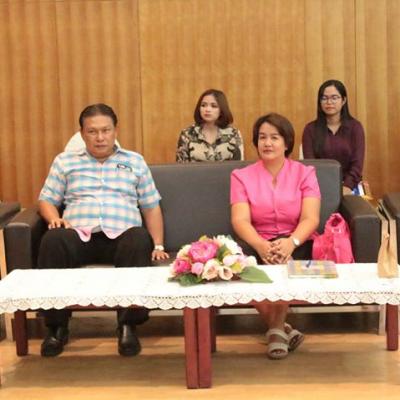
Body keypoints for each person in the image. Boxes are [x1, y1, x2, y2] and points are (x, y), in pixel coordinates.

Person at [37, 103, 169, 357]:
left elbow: (151, 206)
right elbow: (46, 200)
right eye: (92, 131)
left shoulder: (134, 161)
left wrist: (159, 245)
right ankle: (56, 327)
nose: (100, 137)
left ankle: (128, 326)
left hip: (121, 237)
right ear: (82, 133)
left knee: (138, 238)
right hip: (79, 235)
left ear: (115, 131)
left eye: (105, 130)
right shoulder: (65, 162)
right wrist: (54, 219)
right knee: (53, 239)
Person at [230, 113, 321, 360]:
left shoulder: (305, 173)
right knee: (238, 267)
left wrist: (291, 242)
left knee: (283, 262)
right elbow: (240, 220)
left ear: (287, 142)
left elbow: (310, 218)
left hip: (297, 239)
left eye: (274, 137)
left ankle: (275, 331)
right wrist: (260, 245)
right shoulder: (241, 176)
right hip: (257, 239)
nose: (267, 143)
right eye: (262, 137)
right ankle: (280, 329)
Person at [302, 79, 365, 195]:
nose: (329, 102)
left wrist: (346, 187)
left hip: (349, 186)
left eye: (334, 98)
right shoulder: (310, 129)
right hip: (319, 187)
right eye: (324, 98)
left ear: (343, 100)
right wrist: (324, 189)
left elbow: (357, 165)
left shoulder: (355, 127)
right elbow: (310, 165)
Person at [176, 89, 244, 162]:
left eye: (213, 106)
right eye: (203, 105)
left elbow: (239, 166)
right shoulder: (187, 134)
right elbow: (181, 166)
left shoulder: (234, 134)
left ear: (222, 110)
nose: (207, 109)